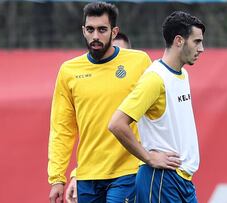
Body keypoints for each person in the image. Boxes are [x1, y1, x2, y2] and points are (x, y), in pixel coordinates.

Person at [47, 2, 151, 203]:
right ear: (83, 31)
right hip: (88, 175)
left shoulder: (139, 62)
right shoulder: (68, 71)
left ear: (114, 32)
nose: (95, 36)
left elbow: (156, 114)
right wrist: (57, 178)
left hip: (128, 171)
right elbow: (62, 128)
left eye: (102, 29)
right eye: (90, 29)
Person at [108, 11, 205, 202]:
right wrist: (149, 158)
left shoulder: (182, 75)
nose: (201, 48)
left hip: (183, 181)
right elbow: (116, 123)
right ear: (179, 41)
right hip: (161, 179)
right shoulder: (154, 78)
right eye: (197, 41)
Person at [64, 31, 132, 203]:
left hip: (128, 172)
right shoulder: (77, 76)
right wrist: (75, 174)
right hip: (91, 175)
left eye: (119, 51)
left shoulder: (141, 78)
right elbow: (83, 134)